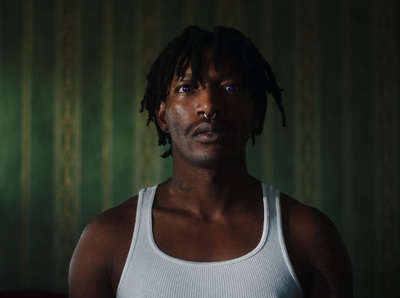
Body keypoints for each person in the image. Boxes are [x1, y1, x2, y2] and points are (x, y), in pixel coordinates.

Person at [69, 26, 353, 297]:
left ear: (255, 114)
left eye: (230, 88)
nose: (209, 106)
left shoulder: (308, 234)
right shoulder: (106, 238)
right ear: (162, 117)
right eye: (186, 88)